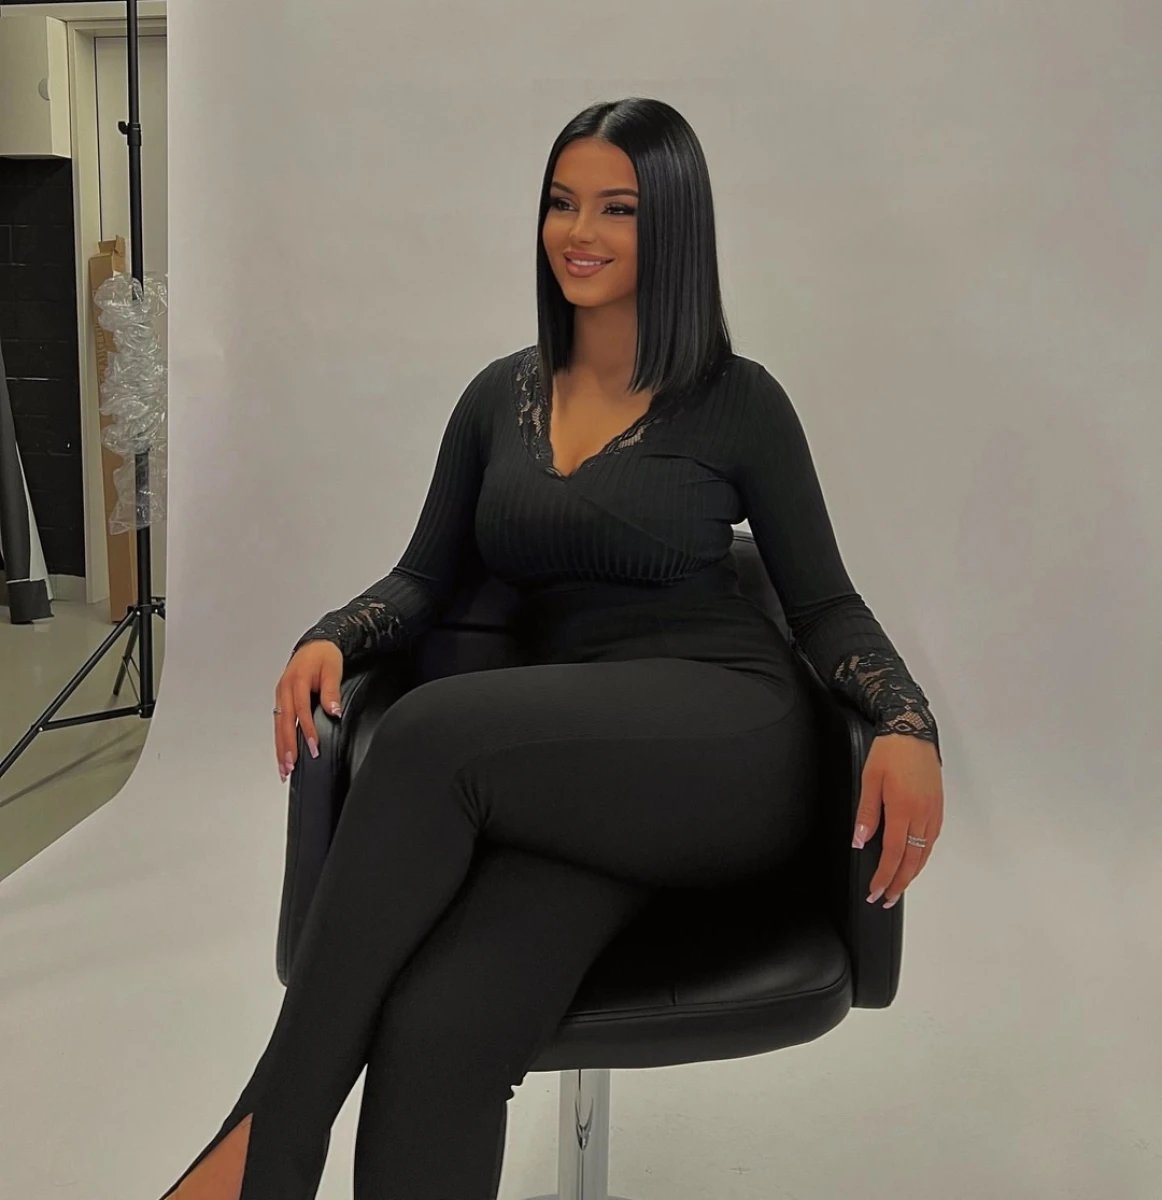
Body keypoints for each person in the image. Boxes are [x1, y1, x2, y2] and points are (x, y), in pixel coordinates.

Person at [157, 97, 943, 1200]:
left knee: (427, 736)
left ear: (674, 225)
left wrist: (908, 722)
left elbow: (824, 607)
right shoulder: (498, 398)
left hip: (726, 742)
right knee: (439, 1025)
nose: (580, 232)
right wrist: (331, 635)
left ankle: (258, 1158)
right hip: (572, 773)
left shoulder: (739, 402)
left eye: (618, 208)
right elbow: (423, 578)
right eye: (562, 203)